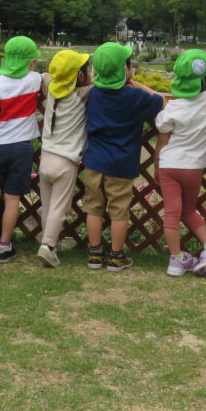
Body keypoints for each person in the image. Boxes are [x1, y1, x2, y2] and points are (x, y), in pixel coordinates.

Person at [83, 42, 164, 272]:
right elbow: (161, 101)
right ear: (125, 69)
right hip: (121, 162)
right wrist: (137, 84)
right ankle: (116, 256)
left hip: (94, 161)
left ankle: (95, 254)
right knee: (119, 211)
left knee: (93, 208)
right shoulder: (134, 96)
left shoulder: (94, 94)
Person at [153, 50, 206, 277]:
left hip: (169, 165)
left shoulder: (172, 108)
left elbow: (162, 141)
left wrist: (156, 167)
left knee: (172, 213)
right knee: (189, 209)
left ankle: (176, 259)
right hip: (193, 167)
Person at [0, 36, 42, 263]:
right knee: (12, 199)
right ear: (31, 62)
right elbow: (42, 76)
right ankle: (4, 245)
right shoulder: (35, 80)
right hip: (22, 148)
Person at [36, 50, 93, 267]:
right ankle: (48, 246)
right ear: (79, 76)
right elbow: (104, 87)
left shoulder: (50, 87)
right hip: (66, 161)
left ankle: (50, 241)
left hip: (46, 158)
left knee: (48, 204)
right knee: (60, 207)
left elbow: (44, 75)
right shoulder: (85, 93)